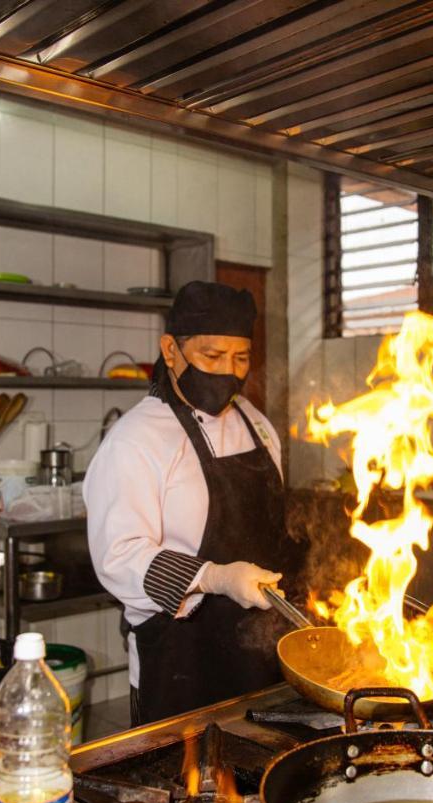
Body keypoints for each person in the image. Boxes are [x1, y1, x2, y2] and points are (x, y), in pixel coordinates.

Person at [83, 280, 300, 724]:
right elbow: (118, 556)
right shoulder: (136, 440)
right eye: (212, 356)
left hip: (263, 655)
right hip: (180, 663)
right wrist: (216, 577)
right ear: (170, 350)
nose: (228, 372)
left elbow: (276, 528)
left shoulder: (256, 424)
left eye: (240, 358)